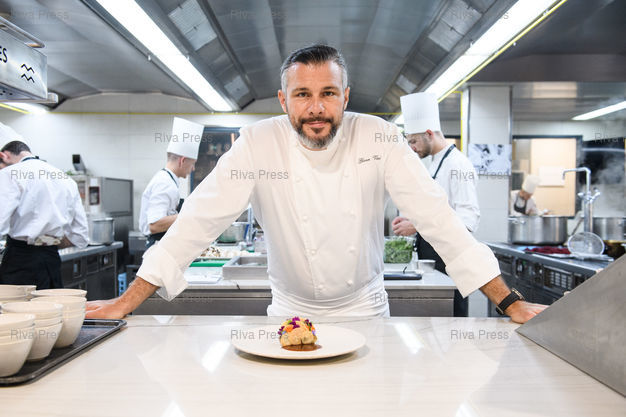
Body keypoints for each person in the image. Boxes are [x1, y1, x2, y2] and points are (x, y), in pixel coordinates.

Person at [87, 44, 545, 323]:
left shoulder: (379, 137)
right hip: (289, 312)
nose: (316, 108)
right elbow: (196, 222)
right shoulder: (257, 143)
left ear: (345, 96)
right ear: (283, 100)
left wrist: (510, 303)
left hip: (366, 310)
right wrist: (127, 301)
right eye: (303, 95)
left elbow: (439, 220)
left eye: (328, 93)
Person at [391, 92, 479, 317]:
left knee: (451, 322)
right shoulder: (434, 164)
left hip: (452, 261)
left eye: (413, 141)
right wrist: (413, 219)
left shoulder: (459, 165)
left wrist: (417, 225)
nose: (412, 148)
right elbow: (437, 211)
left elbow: (469, 219)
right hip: (435, 259)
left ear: (429, 133)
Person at [0, 124, 89, 289]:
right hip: (51, 260)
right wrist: (47, 242)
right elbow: (80, 236)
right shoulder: (65, 178)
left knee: (17, 305)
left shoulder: (8, 174)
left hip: (19, 262)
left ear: (3, 156)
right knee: (50, 304)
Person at [138, 117, 202, 248]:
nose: (193, 169)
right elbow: (154, 225)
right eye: (193, 164)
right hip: (158, 248)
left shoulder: (168, 180)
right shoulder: (164, 183)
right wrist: (190, 214)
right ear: (182, 161)